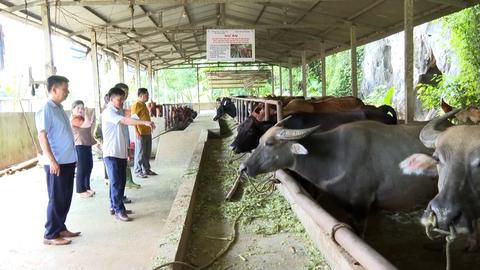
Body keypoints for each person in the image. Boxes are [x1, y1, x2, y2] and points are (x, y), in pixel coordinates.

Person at [35, 75, 80, 245]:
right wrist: (52, 160)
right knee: (57, 198)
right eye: (64, 89)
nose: (67, 92)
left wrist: (73, 157)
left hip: (67, 161)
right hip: (57, 163)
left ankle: (60, 227)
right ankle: (50, 234)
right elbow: (42, 135)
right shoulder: (45, 108)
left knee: (66, 197)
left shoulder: (59, 108)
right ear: (53, 89)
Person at [102, 87, 155, 221]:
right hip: (111, 153)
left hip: (119, 153)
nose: (121, 102)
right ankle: (119, 209)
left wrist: (126, 151)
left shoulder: (117, 111)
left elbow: (126, 122)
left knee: (120, 181)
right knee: (116, 182)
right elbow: (126, 121)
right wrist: (144, 122)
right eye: (119, 100)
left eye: (123, 100)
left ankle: (115, 206)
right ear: (111, 99)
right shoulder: (109, 113)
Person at [115, 83, 142, 189]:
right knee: (119, 165)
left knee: (126, 160)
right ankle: (126, 182)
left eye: (126, 91)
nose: (125, 94)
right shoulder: (113, 108)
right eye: (123, 91)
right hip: (117, 141)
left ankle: (128, 181)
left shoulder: (122, 106)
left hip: (124, 136)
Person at [70, 100, 96, 198]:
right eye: (78, 108)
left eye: (82, 108)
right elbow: (88, 125)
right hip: (79, 146)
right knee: (82, 168)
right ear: (73, 110)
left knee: (89, 166)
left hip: (86, 145)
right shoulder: (75, 119)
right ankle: (80, 190)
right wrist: (87, 114)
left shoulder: (81, 118)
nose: (80, 110)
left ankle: (86, 187)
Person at [131, 88, 157, 178]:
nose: (148, 97)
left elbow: (144, 117)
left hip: (147, 132)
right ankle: (137, 171)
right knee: (140, 152)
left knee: (147, 152)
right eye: (146, 95)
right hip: (141, 132)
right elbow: (133, 119)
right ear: (141, 95)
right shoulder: (136, 105)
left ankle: (147, 169)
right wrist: (136, 131)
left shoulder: (144, 105)